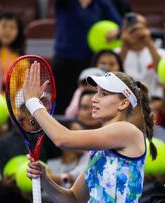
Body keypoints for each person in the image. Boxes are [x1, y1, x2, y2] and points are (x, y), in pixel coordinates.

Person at [24, 62, 157, 202]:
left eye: (103, 94)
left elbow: (62, 139)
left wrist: (33, 103)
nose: (94, 99)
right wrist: (45, 180)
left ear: (123, 103)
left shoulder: (127, 130)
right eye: (97, 92)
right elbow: (73, 199)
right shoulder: (97, 151)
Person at [52, 0, 121, 114]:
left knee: (87, 101)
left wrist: (116, 32)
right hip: (63, 60)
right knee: (60, 101)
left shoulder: (102, 4)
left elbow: (120, 26)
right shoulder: (64, 3)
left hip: (89, 62)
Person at [117, 12, 165, 98]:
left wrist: (149, 43)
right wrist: (124, 44)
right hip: (126, 101)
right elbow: (114, 74)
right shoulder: (115, 53)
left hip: (154, 101)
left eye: (138, 28)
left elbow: (162, 74)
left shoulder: (162, 53)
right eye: (130, 29)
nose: (134, 32)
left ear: (147, 29)